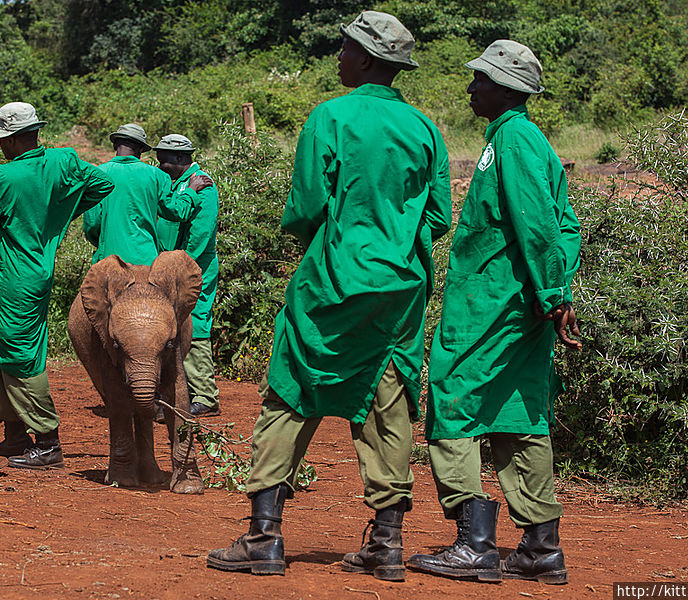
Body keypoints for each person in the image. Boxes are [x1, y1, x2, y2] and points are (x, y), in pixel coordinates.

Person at [207, 11, 451, 581]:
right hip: (400, 286)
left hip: (332, 278)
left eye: (344, 48)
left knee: (293, 389)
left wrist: (336, 240)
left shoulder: (329, 117)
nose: (337, 57)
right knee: (388, 402)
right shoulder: (425, 129)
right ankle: (386, 545)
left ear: (366, 58)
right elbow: (438, 214)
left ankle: (264, 536)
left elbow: (307, 208)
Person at [406, 40, 582, 585]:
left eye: (480, 78)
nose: (471, 87)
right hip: (523, 303)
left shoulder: (515, 140)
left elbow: (540, 225)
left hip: (497, 306)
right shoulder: (515, 138)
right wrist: (553, 296)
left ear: (506, 88)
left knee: (453, 399)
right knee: (518, 414)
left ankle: (473, 542)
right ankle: (539, 547)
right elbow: (565, 226)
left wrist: (553, 294)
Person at [0, 102, 115, 469]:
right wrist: (57, 214)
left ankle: (48, 442)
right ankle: (15, 435)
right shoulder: (63, 162)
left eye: (4, 139)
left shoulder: (3, 179)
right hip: (34, 272)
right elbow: (102, 183)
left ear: (15, 140)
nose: (1, 146)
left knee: (19, 353)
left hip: (17, 275)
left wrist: (11, 237)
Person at [153, 134, 221, 417]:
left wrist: (181, 266)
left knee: (198, 324)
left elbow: (201, 236)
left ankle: (206, 395)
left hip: (193, 269)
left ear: (181, 159)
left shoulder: (203, 186)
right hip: (170, 268)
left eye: (165, 162)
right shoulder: (172, 183)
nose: (160, 166)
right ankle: (178, 390)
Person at [82, 124, 211, 267]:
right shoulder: (157, 176)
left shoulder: (98, 175)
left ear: (115, 145)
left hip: (109, 261)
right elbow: (177, 211)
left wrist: (105, 241)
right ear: (141, 149)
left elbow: (91, 224)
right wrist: (191, 191)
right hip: (145, 263)